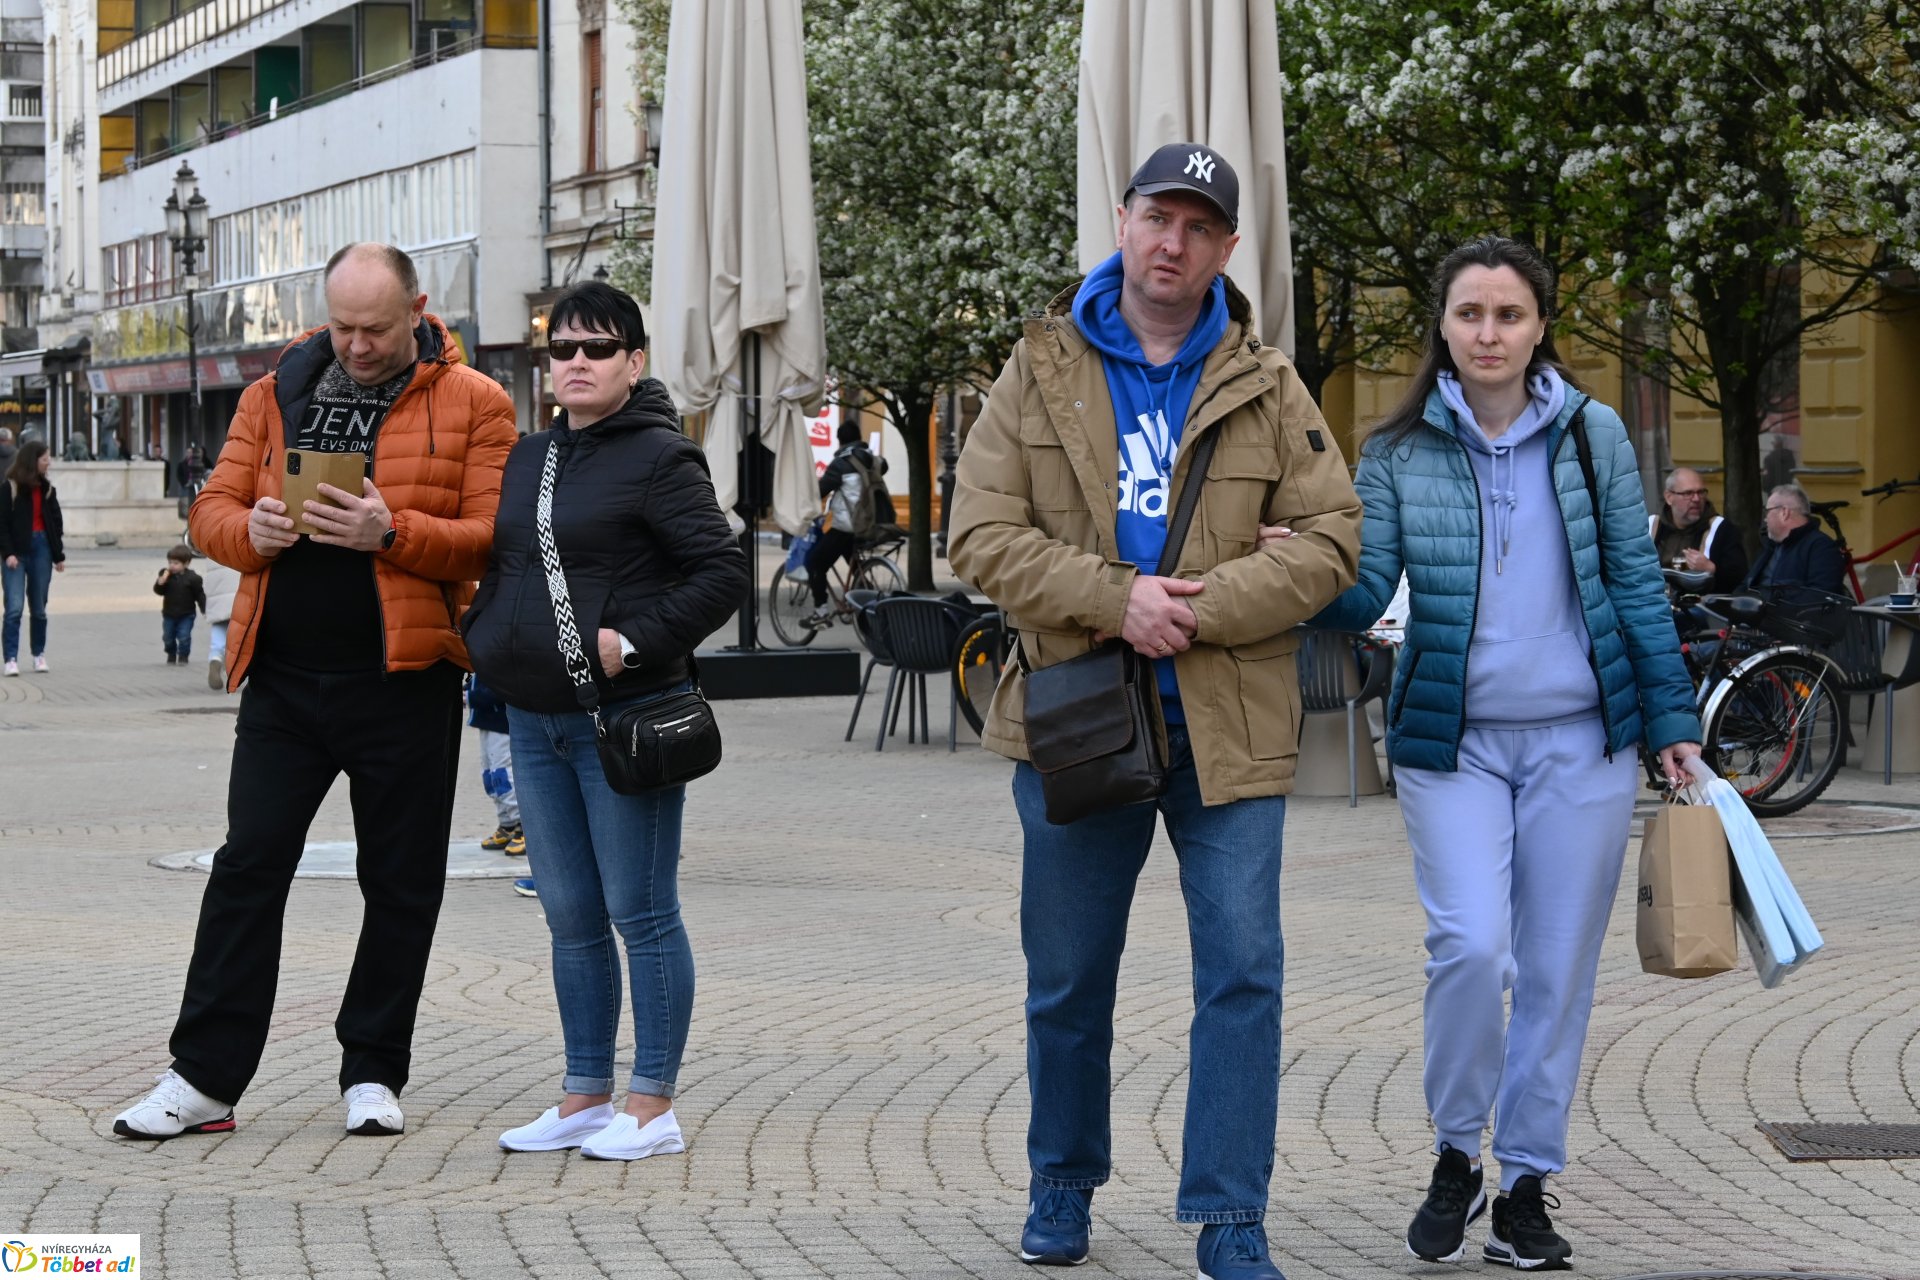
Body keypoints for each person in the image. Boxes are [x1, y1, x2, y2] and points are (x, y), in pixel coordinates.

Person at [948, 142, 1362, 1280]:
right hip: (1080, 715)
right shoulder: (1038, 366)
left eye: (1198, 226)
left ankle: (1230, 1212)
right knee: (1068, 974)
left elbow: (1334, 539)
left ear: (1227, 248)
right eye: (1156, 218)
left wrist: (1200, 608)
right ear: (1123, 220)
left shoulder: (1268, 381)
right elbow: (978, 532)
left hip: (1231, 727)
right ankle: (1061, 1179)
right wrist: (1115, 599)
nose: (1172, 243)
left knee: (1243, 974)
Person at [1300, 235, 1701, 1270]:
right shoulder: (1396, 450)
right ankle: (1454, 1153)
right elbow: (1366, 587)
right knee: (1474, 948)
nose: (1488, 333)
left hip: (1582, 743)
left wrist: (1673, 722)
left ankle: (1524, 1183)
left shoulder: (1592, 434)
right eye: (1470, 313)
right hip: (1453, 744)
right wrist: (1299, 566)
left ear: (1539, 327)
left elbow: (1635, 582)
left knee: (1558, 971)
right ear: (1442, 325)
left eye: (1508, 314)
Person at [111, 242, 516, 1141]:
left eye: (376, 328)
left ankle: (373, 1071)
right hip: (285, 681)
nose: (358, 346)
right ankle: (203, 1079)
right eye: (342, 327)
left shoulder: (477, 402)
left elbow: (492, 539)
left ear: (418, 310)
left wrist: (390, 531)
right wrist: (247, 531)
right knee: (247, 868)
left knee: (401, 882)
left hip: (407, 679)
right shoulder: (274, 391)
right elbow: (209, 511)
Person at [462, 280, 746, 1162]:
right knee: (570, 915)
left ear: (634, 361)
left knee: (641, 911)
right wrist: (485, 634)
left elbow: (722, 573)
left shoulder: (663, 458)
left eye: (597, 348)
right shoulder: (530, 455)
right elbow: (510, 564)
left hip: (622, 720)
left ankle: (652, 1105)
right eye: (563, 349)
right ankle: (585, 1095)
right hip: (534, 719)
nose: (577, 362)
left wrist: (634, 641)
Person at [802, 421, 888, 627]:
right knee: (853, 563)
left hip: (847, 526)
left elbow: (820, 491)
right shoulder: (874, 460)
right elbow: (884, 468)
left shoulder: (841, 464)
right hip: (871, 524)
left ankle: (821, 611)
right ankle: (866, 600)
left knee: (814, 562)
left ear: (839, 440)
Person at [1, 439, 65, 676]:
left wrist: (58, 555)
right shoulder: (10, 488)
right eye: (45, 458)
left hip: (41, 549)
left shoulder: (47, 490)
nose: (49, 463)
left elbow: (55, 524)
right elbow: (2, 524)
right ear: (33, 461)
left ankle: (39, 654)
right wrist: (8, 553)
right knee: (14, 607)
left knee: (39, 608)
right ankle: (10, 659)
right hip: (15, 553)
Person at [1650, 467, 1746, 592]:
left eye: (1701, 492)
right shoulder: (1651, 527)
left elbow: (1740, 580)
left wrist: (1711, 569)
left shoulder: (1721, 529)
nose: (1696, 499)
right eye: (1688, 493)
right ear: (1669, 497)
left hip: (1700, 603)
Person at [1745, 483, 1847, 600]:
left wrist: (1769, 605)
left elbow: (1820, 598)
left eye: (1767, 511)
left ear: (1784, 513)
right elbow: (1744, 587)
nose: (1765, 518)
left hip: (1784, 612)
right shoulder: (1771, 547)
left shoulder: (1822, 548)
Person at [467, 671, 524, 856]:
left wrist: (471, 696)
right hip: (486, 720)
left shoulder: (497, 656)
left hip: (501, 721)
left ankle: (523, 826)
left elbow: (501, 689)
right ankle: (507, 824)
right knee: (490, 777)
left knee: (502, 774)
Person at [154, 543, 207, 665]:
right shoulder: (166, 576)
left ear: (186, 563)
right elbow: (159, 592)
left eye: (176, 563)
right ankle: (171, 653)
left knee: (184, 636)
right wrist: (160, 583)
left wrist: (204, 609)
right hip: (169, 614)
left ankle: (183, 655)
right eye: (170, 562)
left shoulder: (193, 578)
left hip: (187, 614)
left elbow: (199, 595)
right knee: (168, 637)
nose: (172, 566)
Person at [201, 556, 240, 690]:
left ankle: (215, 659)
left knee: (219, 628)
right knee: (243, 635)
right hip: (238, 589)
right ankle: (237, 668)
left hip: (217, 592)